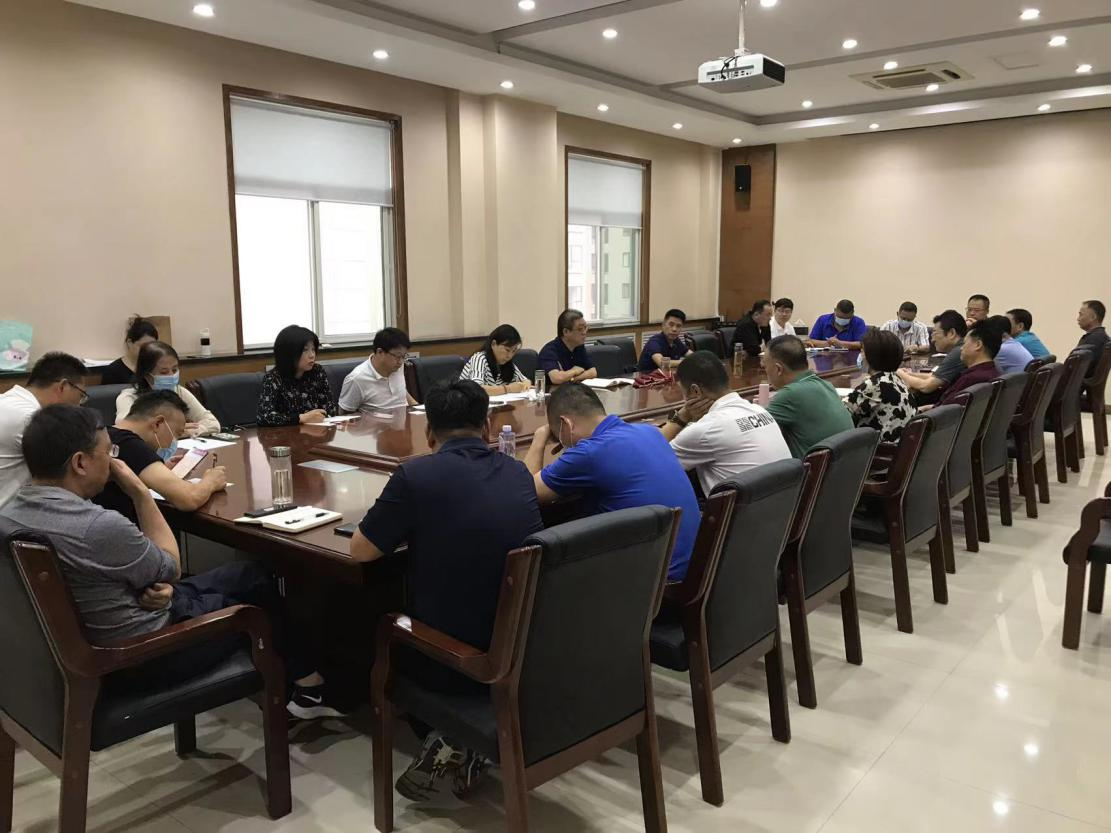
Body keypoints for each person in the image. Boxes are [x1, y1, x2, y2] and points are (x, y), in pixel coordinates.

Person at [0, 405, 340, 718]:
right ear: (80, 463)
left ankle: (306, 681)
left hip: (74, 648)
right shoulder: (96, 527)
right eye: (108, 453)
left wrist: (149, 587)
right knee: (260, 602)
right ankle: (313, 687)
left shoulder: (10, 515)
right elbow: (170, 568)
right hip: (143, 656)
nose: (113, 461)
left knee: (251, 573)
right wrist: (139, 491)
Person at [350, 380, 543, 801]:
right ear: (487, 427)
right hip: (523, 643)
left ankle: (452, 731)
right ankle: (462, 739)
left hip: (454, 658)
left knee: (373, 620)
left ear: (428, 433)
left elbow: (361, 551)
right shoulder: (517, 472)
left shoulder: (415, 475)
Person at [525, 383, 700, 582]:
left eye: (559, 436)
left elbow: (526, 492)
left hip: (655, 583)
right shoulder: (648, 432)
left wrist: (539, 439)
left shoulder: (590, 452)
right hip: (694, 570)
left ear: (566, 424)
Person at [660, 350, 790, 495]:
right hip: (783, 505)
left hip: (736, 509)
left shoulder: (706, 429)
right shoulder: (760, 411)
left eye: (684, 394)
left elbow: (651, 457)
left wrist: (682, 417)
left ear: (695, 391)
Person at [94, 390, 228, 524]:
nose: (173, 442)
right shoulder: (131, 445)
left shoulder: (106, 434)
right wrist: (211, 481)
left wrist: (157, 468)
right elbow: (189, 498)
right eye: (176, 434)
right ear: (158, 423)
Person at [0, 352, 87, 507]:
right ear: (63, 386)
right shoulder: (30, 418)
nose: (79, 405)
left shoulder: (9, 400)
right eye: (81, 395)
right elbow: (74, 468)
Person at [763, 335, 854, 458]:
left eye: (765, 367)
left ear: (778, 369)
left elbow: (754, 430)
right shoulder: (826, 385)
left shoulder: (790, 394)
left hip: (816, 469)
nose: (765, 371)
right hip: (846, 466)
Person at [115, 341, 219, 435]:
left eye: (174, 370)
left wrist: (186, 431)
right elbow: (127, 432)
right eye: (164, 372)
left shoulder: (179, 392)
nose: (171, 375)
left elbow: (213, 424)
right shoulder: (128, 398)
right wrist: (175, 431)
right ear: (147, 375)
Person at [257, 325, 337, 426]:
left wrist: (321, 415)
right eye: (305, 350)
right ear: (289, 353)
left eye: (313, 349)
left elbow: (330, 409)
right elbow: (264, 417)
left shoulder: (318, 372)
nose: (312, 355)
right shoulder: (273, 378)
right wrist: (301, 418)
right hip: (285, 434)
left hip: (317, 430)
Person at [845, 329, 916, 442]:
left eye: (862, 351)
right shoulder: (896, 379)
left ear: (872, 356)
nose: (860, 355)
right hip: (900, 446)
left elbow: (841, 413)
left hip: (879, 449)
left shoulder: (875, 385)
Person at [339, 327, 417, 412]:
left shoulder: (397, 366)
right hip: (376, 420)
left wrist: (419, 408)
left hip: (404, 418)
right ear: (380, 352)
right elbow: (345, 415)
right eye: (398, 356)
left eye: (404, 356)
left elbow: (401, 392)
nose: (401, 362)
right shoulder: (356, 379)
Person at [896, 310, 967, 403]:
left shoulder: (959, 352)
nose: (932, 339)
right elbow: (934, 376)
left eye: (935, 332)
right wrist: (910, 374)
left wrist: (900, 373)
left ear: (951, 333)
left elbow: (926, 386)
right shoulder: (959, 348)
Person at [938, 323, 1001, 407]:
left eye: (964, 343)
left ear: (978, 345)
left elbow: (947, 410)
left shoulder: (972, 379)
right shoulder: (993, 372)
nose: (961, 348)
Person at [460, 324, 532, 394]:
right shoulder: (479, 358)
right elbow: (477, 389)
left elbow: (525, 380)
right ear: (493, 344)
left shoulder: (506, 363)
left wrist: (526, 384)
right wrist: (508, 389)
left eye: (513, 351)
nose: (510, 356)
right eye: (507, 350)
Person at [537, 309, 598, 386]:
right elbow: (557, 378)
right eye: (580, 329)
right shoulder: (549, 351)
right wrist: (574, 371)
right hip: (553, 392)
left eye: (585, 328)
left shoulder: (579, 347)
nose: (584, 332)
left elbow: (593, 372)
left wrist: (571, 378)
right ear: (566, 332)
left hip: (573, 390)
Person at [99, 315, 159, 385]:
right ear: (129, 343)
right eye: (143, 346)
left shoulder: (154, 367)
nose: (148, 350)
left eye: (152, 346)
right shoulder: (112, 371)